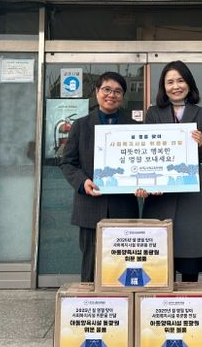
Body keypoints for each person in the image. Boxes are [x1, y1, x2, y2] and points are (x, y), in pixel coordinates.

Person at [139, 61, 202, 282]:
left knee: (191, 250)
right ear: (163, 87)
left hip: (192, 193)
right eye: (170, 82)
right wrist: (147, 183)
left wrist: (201, 144)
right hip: (160, 193)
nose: (175, 86)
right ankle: (159, 299)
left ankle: (189, 298)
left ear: (189, 84)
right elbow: (145, 153)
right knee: (160, 253)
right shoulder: (153, 113)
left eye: (180, 80)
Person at [60, 71, 139, 282]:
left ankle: (123, 301)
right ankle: (91, 300)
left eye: (117, 91)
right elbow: (67, 162)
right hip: (89, 207)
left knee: (123, 263)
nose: (111, 95)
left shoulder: (134, 127)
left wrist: (143, 184)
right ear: (97, 92)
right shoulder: (81, 125)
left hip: (124, 207)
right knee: (91, 264)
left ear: (122, 96)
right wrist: (82, 181)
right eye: (106, 89)